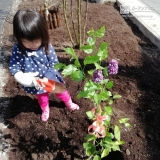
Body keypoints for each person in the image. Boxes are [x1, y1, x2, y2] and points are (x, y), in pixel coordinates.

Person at [9, 8, 79, 122]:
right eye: (26, 41)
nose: (32, 45)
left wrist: (47, 77)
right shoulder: (18, 49)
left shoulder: (46, 47)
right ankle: (45, 109)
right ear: (19, 38)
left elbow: (54, 64)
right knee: (42, 98)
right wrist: (19, 75)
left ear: (43, 35)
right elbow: (14, 66)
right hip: (36, 83)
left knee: (62, 92)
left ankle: (69, 103)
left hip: (50, 78)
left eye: (35, 40)